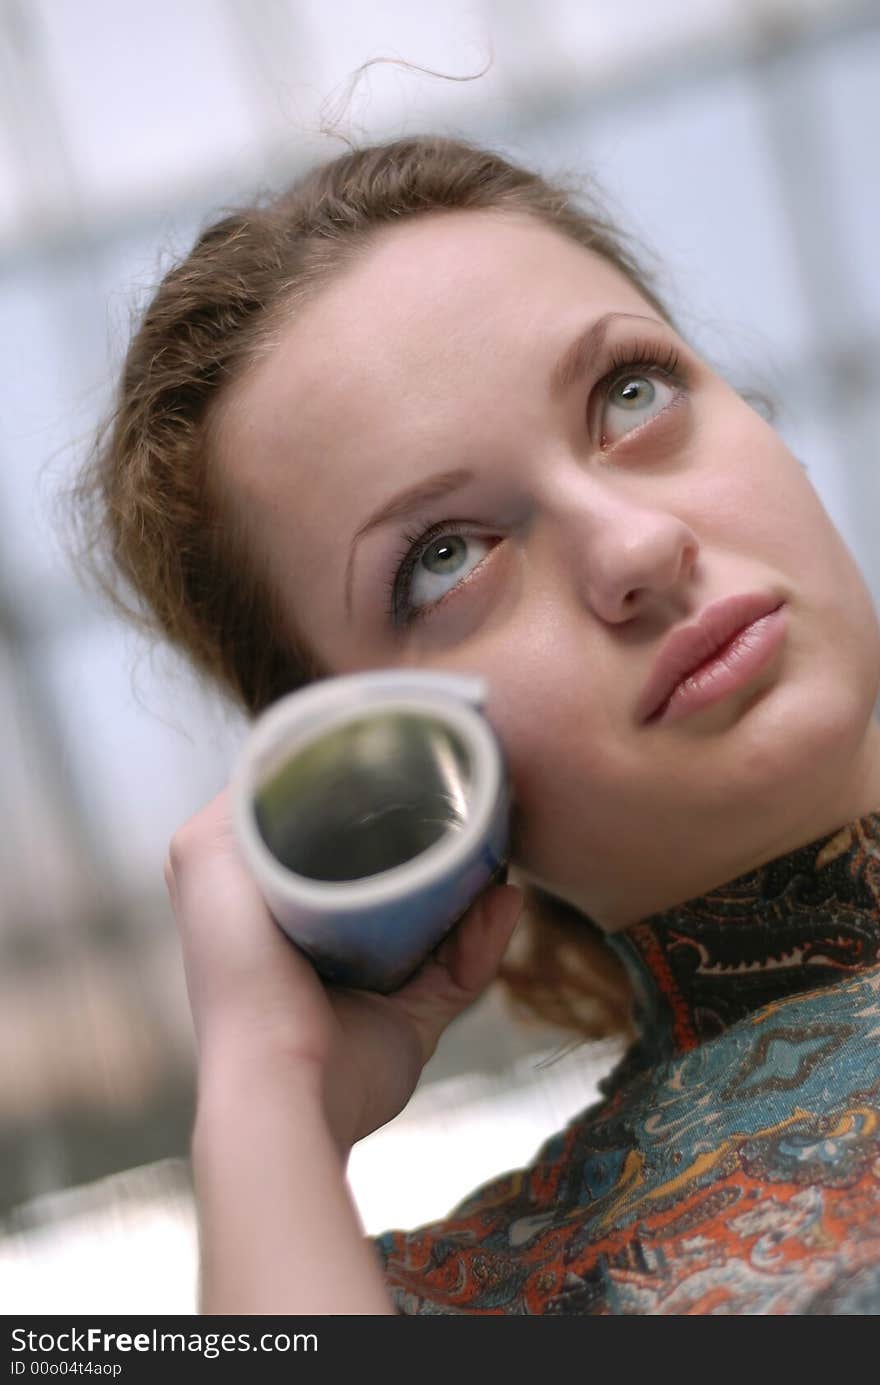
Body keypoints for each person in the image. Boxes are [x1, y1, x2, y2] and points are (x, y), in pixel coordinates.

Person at [62, 134, 880, 1315]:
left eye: (629, 393)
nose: (638, 548)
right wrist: (266, 1100)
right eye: (444, 559)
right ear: (379, 757)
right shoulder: (491, 1299)